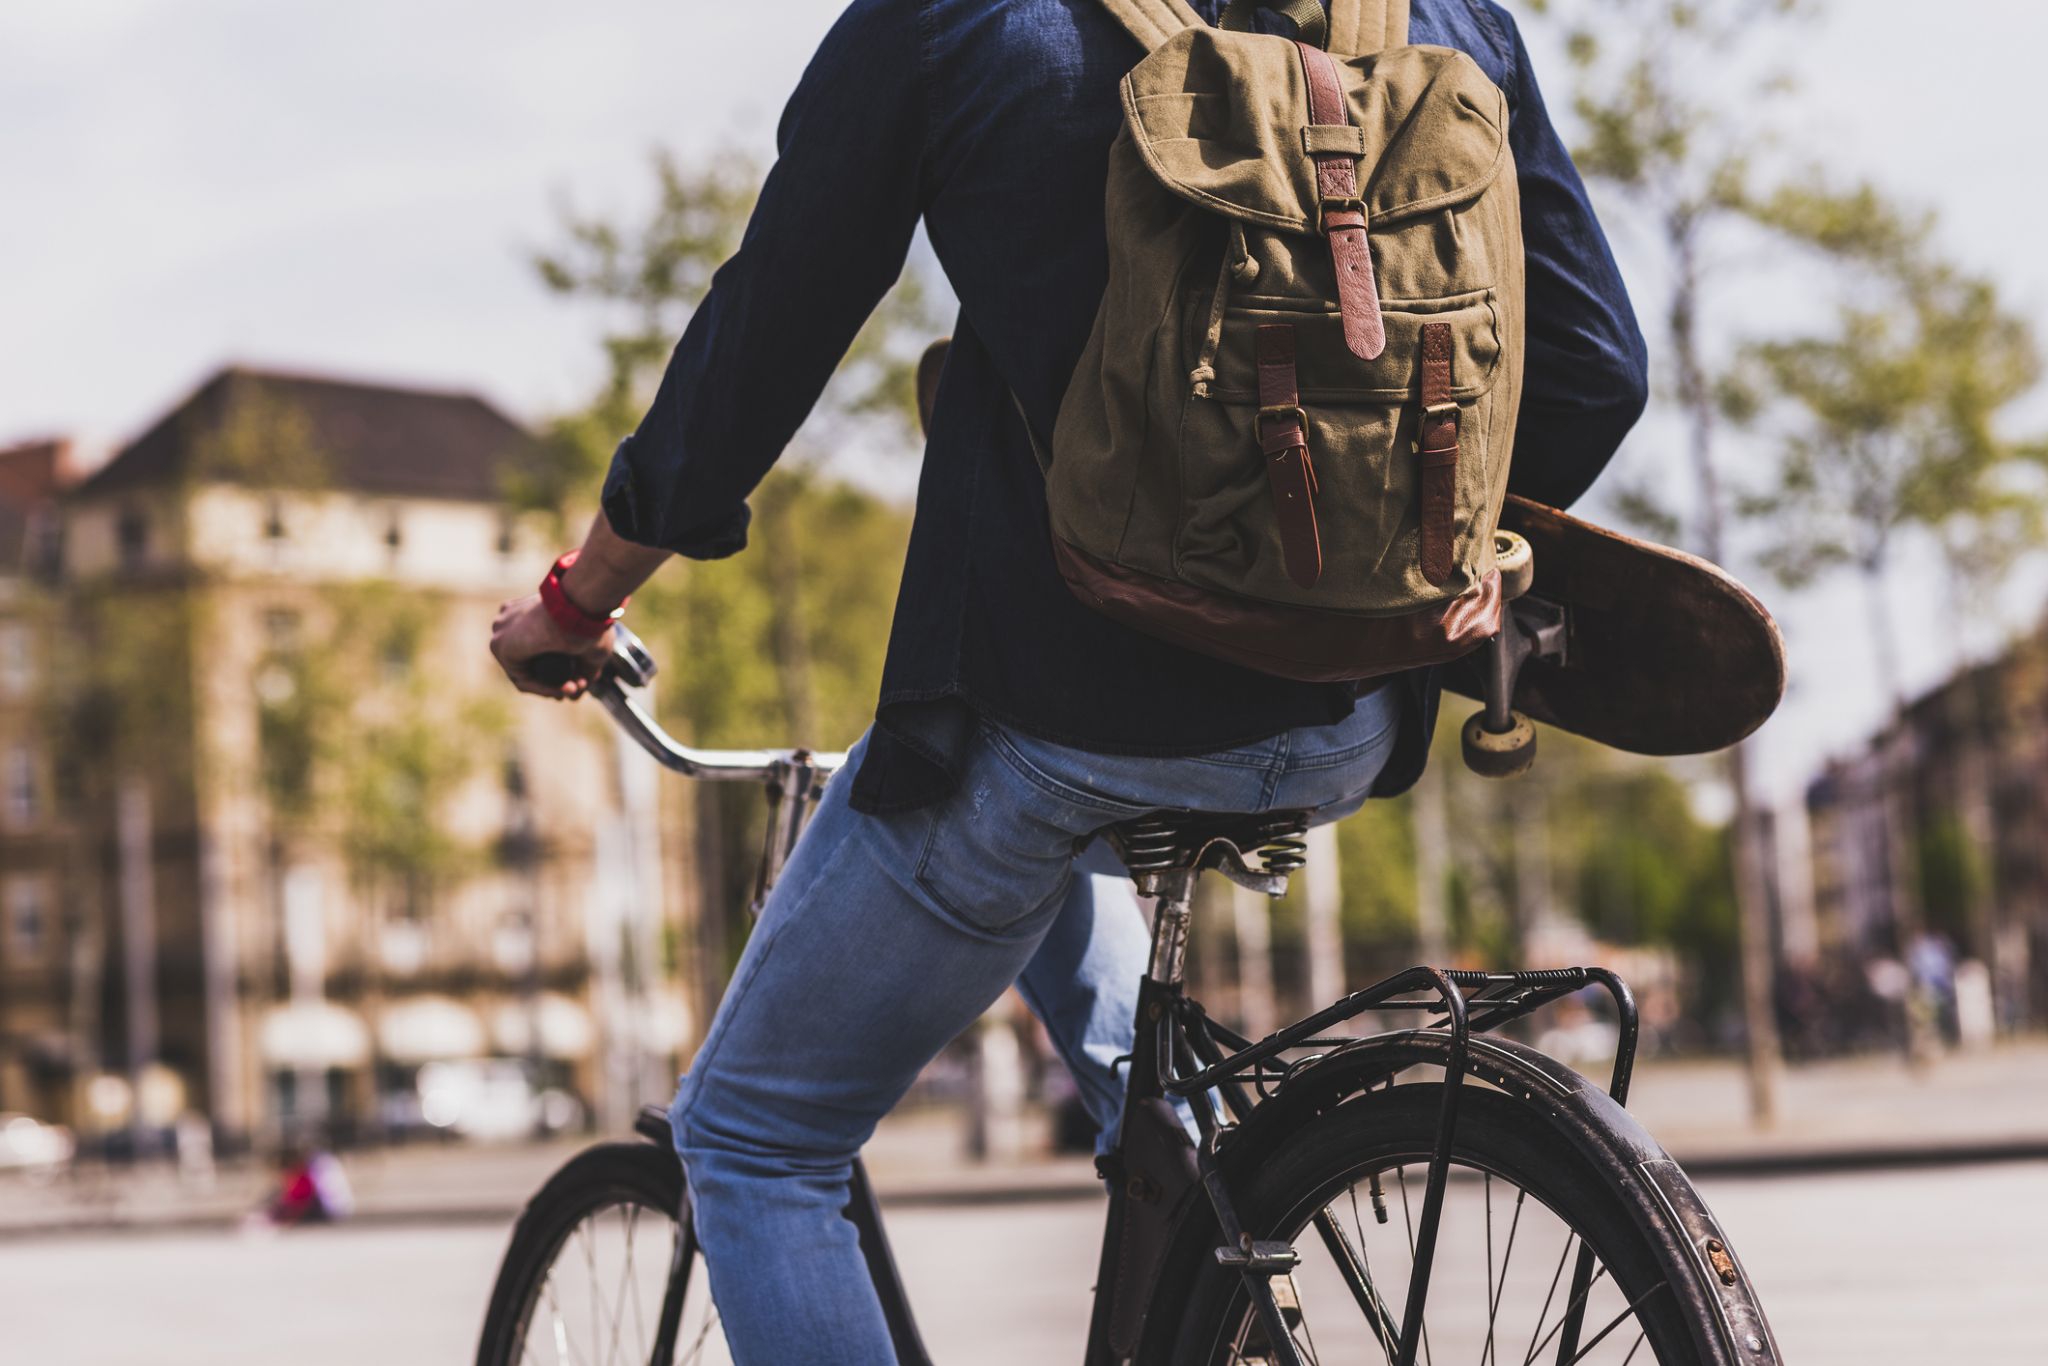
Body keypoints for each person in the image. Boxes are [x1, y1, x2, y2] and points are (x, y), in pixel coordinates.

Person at [489, 1, 1646, 1359]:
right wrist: (1396, 562)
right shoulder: (1437, 16)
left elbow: (762, 342)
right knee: (1104, 992)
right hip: (1352, 715)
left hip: (1055, 712)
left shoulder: (954, 22)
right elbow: (1596, 370)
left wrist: (582, 600)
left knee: (753, 1134)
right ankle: (1206, 1189)